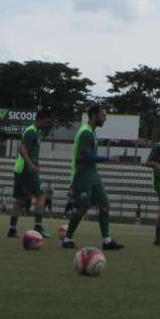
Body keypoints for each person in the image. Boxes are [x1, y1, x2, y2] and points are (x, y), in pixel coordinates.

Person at [61, 104, 124, 251]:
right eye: (102, 115)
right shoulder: (85, 133)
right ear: (94, 116)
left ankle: (107, 241)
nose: (105, 118)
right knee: (82, 208)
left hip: (92, 174)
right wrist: (108, 159)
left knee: (104, 205)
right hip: (82, 174)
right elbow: (85, 156)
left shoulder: (92, 132)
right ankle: (67, 239)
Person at [8, 108, 54, 238]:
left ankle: (12, 229)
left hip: (21, 169)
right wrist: (31, 165)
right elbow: (22, 149)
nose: (48, 123)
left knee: (21, 199)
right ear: (40, 119)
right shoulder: (32, 132)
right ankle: (38, 227)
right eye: (47, 121)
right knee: (41, 194)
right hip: (26, 170)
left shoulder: (35, 132)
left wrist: (34, 164)